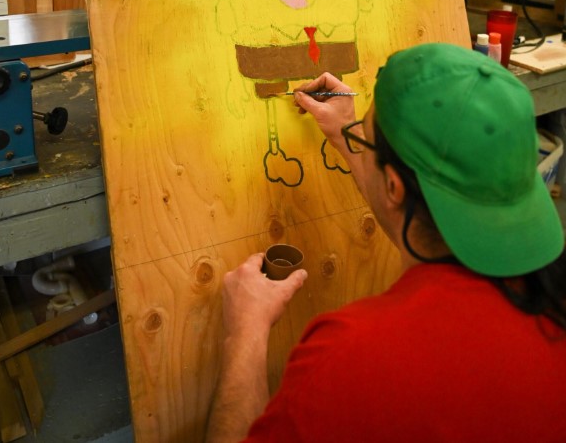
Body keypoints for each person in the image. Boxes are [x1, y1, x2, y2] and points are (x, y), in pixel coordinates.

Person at [205, 43, 566, 443]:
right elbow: (424, 224)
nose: (359, 135)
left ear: (394, 184)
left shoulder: (349, 360)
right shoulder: (552, 308)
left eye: (367, 137)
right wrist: (349, 134)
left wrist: (246, 335)